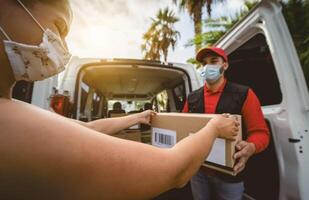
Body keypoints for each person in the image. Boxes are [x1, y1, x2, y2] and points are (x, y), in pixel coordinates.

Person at [0, 1, 240, 199]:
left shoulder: (15, 109)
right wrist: (215, 127)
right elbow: (174, 169)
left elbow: (87, 128)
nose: (63, 46)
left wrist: (137, 117)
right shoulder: (9, 123)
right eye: (58, 28)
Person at [182, 46, 270, 200]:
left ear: (225, 65)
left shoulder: (244, 94)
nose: (208, 66)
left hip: (230, 175)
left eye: (214, 61)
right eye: (204, 63)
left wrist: (251, 147)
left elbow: (260, 133)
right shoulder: (192, 98)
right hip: (198, 171)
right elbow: (183, 127)